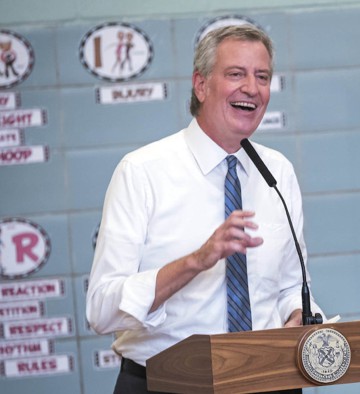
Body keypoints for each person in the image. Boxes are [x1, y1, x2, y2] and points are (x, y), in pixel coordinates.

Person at [86, 25, 324, 393]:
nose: (252, 88)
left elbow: (293, 287)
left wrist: (299, 316)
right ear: (200, 85)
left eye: (262, 76)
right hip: (168, 383)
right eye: (235, 74)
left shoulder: (277, 172)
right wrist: (197, 260)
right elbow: (101, 309)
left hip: (268, 378)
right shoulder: (142, 172)